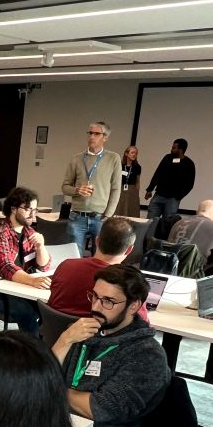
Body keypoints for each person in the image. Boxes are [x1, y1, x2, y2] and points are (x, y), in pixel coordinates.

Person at [51, 264, 171, 427]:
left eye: (108, 301)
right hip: (61, 421)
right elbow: (37, 378)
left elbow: (101, 408)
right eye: (94, 296)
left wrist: (49, 390)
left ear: (133, 306)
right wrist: (63, 341)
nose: (96, 307)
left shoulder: (146, 354)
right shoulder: (79, 332)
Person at [0, 186, 51, 335]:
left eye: (35, 210)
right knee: (27, 313)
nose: (32, 214)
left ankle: (35, 345)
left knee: (48, 309)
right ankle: (32, 352)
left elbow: (43, 266)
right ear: (13, 209)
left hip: (16, 288)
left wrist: (41, 247)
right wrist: (32, 281)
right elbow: (5, 267)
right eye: (28, 209)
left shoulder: (29, 232)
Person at [48, 216, 149, 322]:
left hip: (56, 335)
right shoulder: (130, 283)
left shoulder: (65, 266)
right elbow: (143, 324)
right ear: (129, 250)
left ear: (97, 241)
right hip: (101, 337)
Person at [62, 121, 122, 252]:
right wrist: (77, 190)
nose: (92, 137)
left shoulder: (113, 158)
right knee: (74, 256)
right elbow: (65, 187)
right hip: (77, 216)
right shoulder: (76, 158)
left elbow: (116, 189)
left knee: (100, 257)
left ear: (105, 138)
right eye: (90, 133)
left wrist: (108, 215)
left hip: (100, 217)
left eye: (96, 134)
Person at [145, 138, 196, 219]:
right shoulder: (167, 158)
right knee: (150, 221)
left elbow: (190, 184)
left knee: (167, 224)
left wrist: (179, 196)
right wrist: (149, 189)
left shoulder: (188, 164)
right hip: (158, 195)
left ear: (181, 150)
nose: (171, 149)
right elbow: (158, 173)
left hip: (172, 199)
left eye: (174, 148)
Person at [169, 199, 213, 268]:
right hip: (195, 273)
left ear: (197, 211)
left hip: (169, 267)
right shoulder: (211, 225)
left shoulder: (178, 223)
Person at [114, 145, 142, 217]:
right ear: (126, 154)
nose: (134, 155)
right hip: (120, 189)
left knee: (131, 210)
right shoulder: (119, 165)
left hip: (132, 191)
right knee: (119, 209)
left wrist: (136, 193)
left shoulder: (137, 167)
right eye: (132, 153)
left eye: (136, 153)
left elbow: (137, 181)